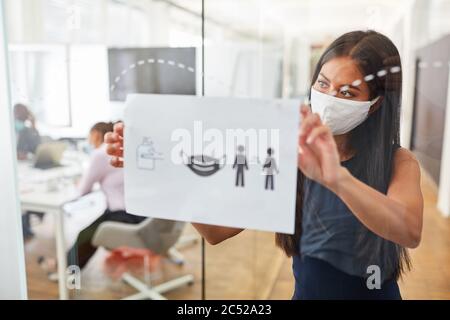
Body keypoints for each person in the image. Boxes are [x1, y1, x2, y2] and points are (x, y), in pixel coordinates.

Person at [105, 30, 423, 300]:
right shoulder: (286, 154)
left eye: (347, 92)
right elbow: (216, 231)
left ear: (375, 104)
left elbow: (409, 230)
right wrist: (159, 167)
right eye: (323, 84)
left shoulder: (398, 162)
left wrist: (335, 178)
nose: (328, 97)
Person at [39, 122, 146, 278]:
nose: (89, 141)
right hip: (141, 212)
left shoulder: (101, 153)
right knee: (90, 231)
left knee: (86, 234)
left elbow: (83, 190)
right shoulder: (123, 148)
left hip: (125, 214)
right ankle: (63, 266)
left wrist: (78, 183)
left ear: (96, 134)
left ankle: (64, 269)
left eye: (90, 136)